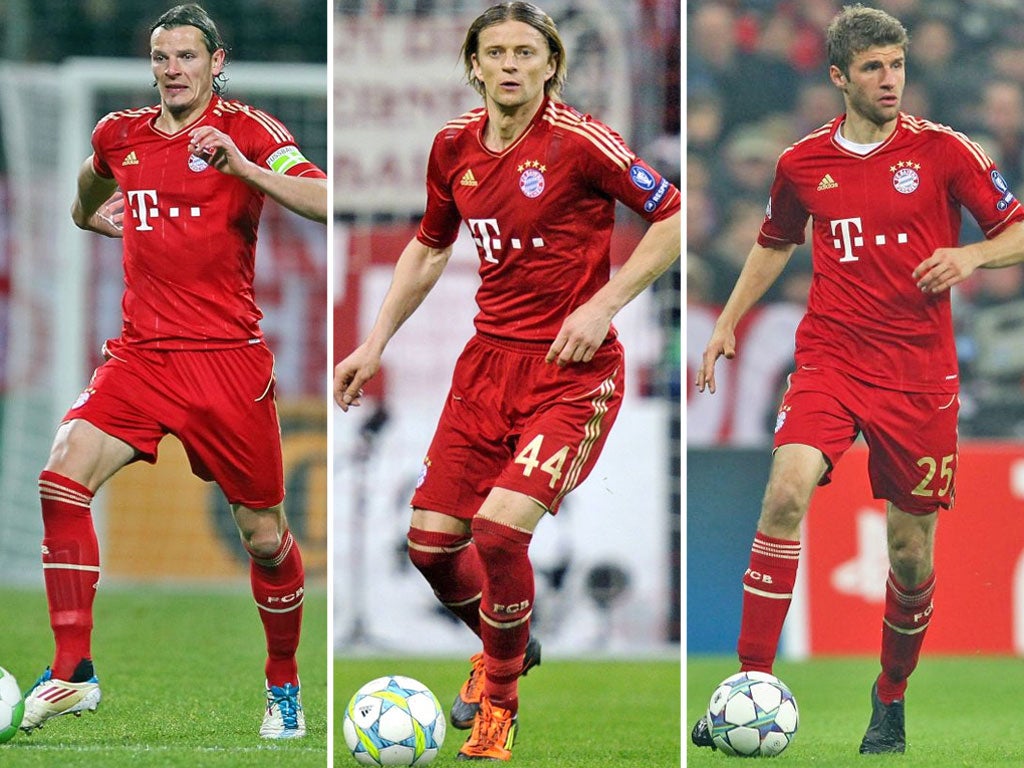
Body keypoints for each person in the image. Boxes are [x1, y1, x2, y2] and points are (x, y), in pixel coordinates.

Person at [334, 2, 680, 761]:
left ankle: (498, 707)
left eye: (528, 51)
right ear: (476, 66)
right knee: (429, 547)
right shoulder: (452, 146)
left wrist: (605, 302)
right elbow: (428, 250)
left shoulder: (581, 141)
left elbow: (673, 217)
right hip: (487, 366)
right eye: (498, 52)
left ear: (551, 65)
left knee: (496, 531)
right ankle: (506, 645)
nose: (513, 64)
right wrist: (374, 343)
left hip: (573, 374)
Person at [691, 4, 1024, 756]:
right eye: (873, 67)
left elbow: (1017, 228)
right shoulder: (801, 163)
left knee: (910, 553)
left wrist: (972, 257)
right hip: (831, 359)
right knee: (784, 491)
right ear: (839, 75)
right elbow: (774, 243)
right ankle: (747, 689)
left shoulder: (946, 153)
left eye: (897, 66)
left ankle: (890, 695)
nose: (889, 80)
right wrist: (726, 323)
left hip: (919, 374)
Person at [21, 3, 327, 739]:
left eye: (188, 57)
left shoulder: (253, 132)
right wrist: (87, 216)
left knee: (263, 535)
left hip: (227, 365)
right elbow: (91, 186)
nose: (173, 70)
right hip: (141, 357)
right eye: (162, 58)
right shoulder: (120, 135)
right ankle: (72, 673)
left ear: (216, 62)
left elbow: (326, 197)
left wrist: (244, 168)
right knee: (62, 475)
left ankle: (282, 686)